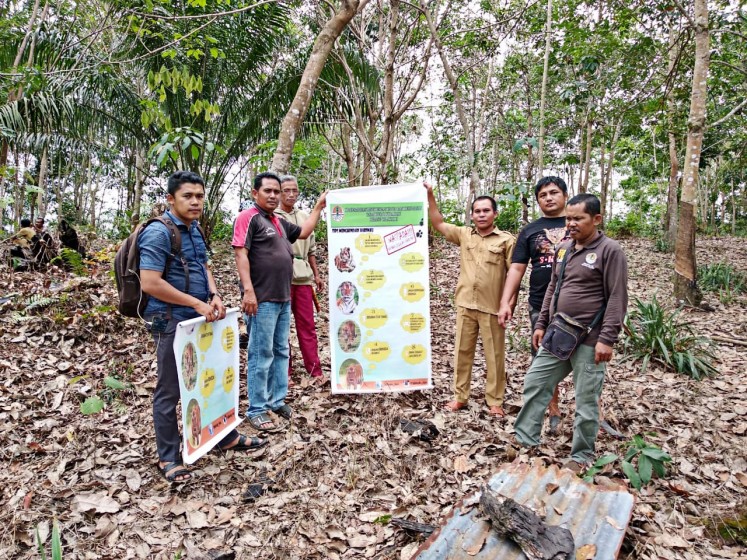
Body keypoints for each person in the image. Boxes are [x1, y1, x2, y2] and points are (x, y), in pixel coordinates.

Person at [139, 171, 266, 483]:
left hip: (201, 319)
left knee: (211, 380)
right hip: (172, 321)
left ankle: (222, 435)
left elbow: (203, 266)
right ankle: (168, 456)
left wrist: (213, 294)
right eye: (187, 196)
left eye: (199, 196)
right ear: (171, 199)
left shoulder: (194, 229)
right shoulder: (158, 233)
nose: (195, 202)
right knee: (171, 389)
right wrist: (195, 303)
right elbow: (150, 282)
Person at [513, 194, 628, 470]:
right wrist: (541, 324)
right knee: (536, 381)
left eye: (578, 218)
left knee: (586, 398)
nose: (571, 223)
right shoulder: (564, 248)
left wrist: (607, 339)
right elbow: (553, 288)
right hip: (558, 332)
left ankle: (581, 455)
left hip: (591, 339)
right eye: (569, 218)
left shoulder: (610, 251)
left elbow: (617, 297)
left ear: (596, 219)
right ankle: (525, 440)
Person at [232, 171, 327, 432]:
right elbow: (241, 255)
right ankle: (257, 408)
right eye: (268, 191)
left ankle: (276, 400)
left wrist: (319, 206)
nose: (274, 195)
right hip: (261, 299)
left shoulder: (278, 221)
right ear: (255, 193)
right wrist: (248, 292)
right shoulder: (247, 218)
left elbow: (305, 231)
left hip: (284, 296)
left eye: (277, 191)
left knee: (280, 350)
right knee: (260, 354)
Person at [424, 182, 515, 417]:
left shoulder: (506, 240)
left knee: (494, 355)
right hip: (465, 304)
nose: (481, 214)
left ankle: (495, 400)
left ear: (495, 214)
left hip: (492, 307)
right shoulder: (464, 235)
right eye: (477, 211)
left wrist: (508, 305)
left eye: (486, 210)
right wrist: (431, 195)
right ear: (472, 215)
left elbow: (515, 274)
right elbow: (438, 223)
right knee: (462, 352)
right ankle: (459, 397)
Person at [498, 176, 570, 433]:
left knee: (586, 358)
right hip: (541, 304)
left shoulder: (578, 221)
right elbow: (517, 269)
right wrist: (506, 302)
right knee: (543, 356)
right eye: (543, 195)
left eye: (553, 193)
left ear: (564, 195)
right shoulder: (530, 230)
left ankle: (594, 410)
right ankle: (553, 410)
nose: (549, 198)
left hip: (580, 305)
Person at [275, 175, 323, 378]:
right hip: (281, 278)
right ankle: (285, 371)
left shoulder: (304, 216)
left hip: (303, 277)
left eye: (294, 190)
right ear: (279, 192)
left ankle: (315, 369)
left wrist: (317, 275)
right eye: (286, 190)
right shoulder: (272, 216)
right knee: (281, 328)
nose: (291, 194)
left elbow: (311, 249)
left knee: (307, 325)